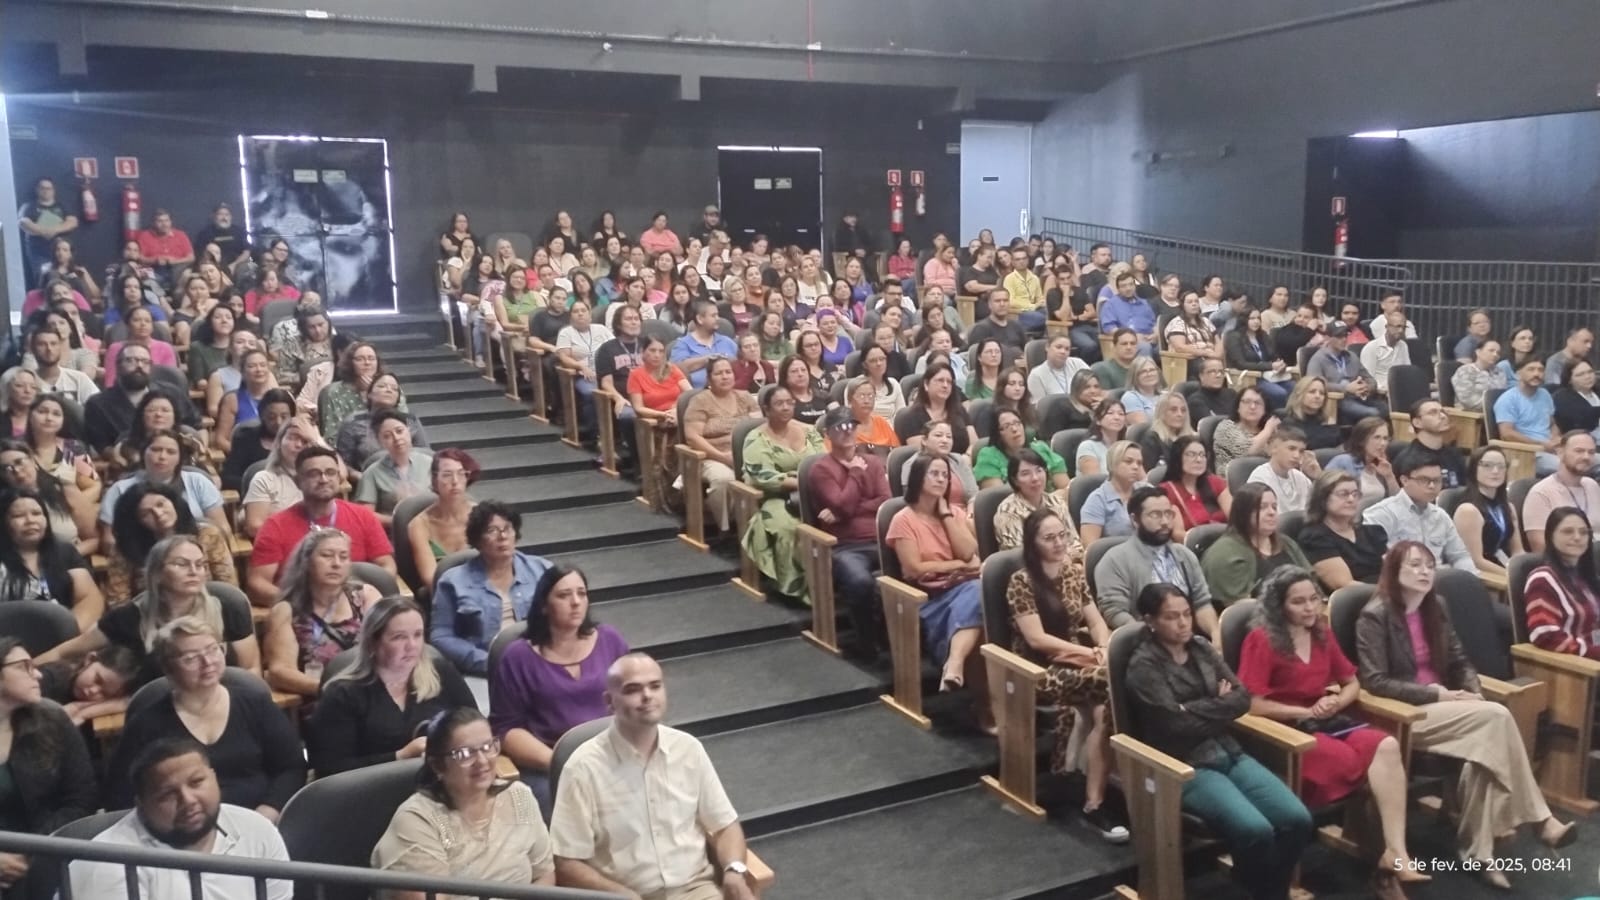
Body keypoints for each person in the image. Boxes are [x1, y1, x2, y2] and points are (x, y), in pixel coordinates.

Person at [1356, 542, 1576, 887]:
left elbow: (1459, 661)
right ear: (1394, 572)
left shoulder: (1436, 607)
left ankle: (1480, 852)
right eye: (1415, 565)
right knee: (1497, 718)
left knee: (1484, 753)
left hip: (1450, 708)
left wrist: (1472, 691)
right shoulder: (1375, 615)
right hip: (1405, 715)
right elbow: (1375, 681)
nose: (1425, 571)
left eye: (1429, 565)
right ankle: (1539, 818)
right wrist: (1437, 693)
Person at [1237, 567, 1420, 894]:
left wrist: (1336, 703)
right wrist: (1304, 710)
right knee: (1358, 765)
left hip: (1326, 719)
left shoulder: (1322, 631)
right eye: (1298, 602)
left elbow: (1352, 683)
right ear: (1279, 606)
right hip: (1284, 731)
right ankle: (1377, 865)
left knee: (1387, 746)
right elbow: (1252, 704)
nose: (1310, 608)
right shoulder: (1261, 639)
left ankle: (1396, 852)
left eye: (1314, 599)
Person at [1124, 582, 1311, 900]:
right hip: (1184, 765)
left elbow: (1240, 700)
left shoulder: (1200, 647)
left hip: (1230, 752)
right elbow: (1172, 725)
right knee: (1256, 829)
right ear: (1150, 621)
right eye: (1172, 617)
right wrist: (1216, 706)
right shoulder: (1144, 667)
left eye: (1186, 614)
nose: (1184, 623)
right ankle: (1265, 893)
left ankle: (1265, 889)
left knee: (1298, 819)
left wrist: (1192, 708)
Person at [550, 653, 756, 900]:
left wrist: (734, 870)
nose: (647, 695)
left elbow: (725, 825)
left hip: (696, 891)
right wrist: (620, 894)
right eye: (633, 689)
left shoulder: (688, 749)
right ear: (609, 701)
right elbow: (567, 862)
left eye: (655, 686)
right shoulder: (582, 768)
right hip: (623, 897)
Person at [105, 616, 304, 820]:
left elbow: (291, 767)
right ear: (168, 669)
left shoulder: (256, 703)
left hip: (260, 822)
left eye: (213, 649)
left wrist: (268, 811)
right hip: (181, 832)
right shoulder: (146, 725)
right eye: (190, 658)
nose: (208, 662)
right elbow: (121, 795)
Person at [1006, 508, 1126, 840]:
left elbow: (1097, 621)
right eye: (1049, 538)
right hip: (1039, 669)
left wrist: (1103, 647)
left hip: (1080, 662)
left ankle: (1092, 798)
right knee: (1113, 682)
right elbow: (1037, 640)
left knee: (1106, 708)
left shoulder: (1074, 573)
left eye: (1062, 535)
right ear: (1033, 543)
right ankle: (1075, 775)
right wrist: (1093, 655)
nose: (1059, 543)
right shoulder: (1021, 580)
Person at [68, 738, 292, 900]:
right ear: (141, 805)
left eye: (196, 782)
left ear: (214, 777)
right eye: (167, 794)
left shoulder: (257, 831)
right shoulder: (106, 864)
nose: (188, 800)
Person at [490, 566, 629, 815]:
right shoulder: (518, 657)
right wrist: (562, 762)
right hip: (549, 765)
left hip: (613, 758)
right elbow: (507, 729)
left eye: (581, 593)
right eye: (564, 595)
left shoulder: (610, 640)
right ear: (544, 605)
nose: (576, 602)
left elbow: (633, 703)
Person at [371, 706, 555, 890]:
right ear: (437, 766)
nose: (482, 761)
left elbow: (545, 874)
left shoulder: (518, 796)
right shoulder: (417, 822)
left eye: (487, 747)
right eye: (465, 754)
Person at [308, 597, 476, 776]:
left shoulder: (441, 672)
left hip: (442, 783)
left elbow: (476, 725)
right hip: (371, 792)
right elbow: (329, 768)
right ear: (373, 642)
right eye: (399, 637)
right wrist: (399, 756)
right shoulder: (342, 694)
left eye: (418, 635)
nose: (412, 646)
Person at [0, 636, 98, 897]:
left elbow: (81, 799)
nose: (39, 675)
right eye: (24, 667)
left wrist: (29, 851)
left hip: (45, 852)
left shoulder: (53, 719)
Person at [248, 447, 395, 607]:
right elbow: (257, 584)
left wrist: (366, 597)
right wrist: (307, 603)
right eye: (314, 474)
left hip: (358, 609)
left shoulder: (363, 516)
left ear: (339, 478)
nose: (324, 479)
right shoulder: (275, 526)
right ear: (297, 481)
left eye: (331, 472)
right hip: (300, 613)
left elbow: (386, 565)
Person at [888, 454, 985, 694]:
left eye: (945, 475)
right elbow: (914, 569)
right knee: (978, 594)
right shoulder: (903, 520)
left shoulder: (954, 513)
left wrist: (945, 515)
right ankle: (961, 673)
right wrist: (957, 566)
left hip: (963, 588)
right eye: (934, 473)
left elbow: (970, 553)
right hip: (929, 598)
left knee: (981, 602)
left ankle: (955, 664)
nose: (941, 479)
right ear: (919, 477)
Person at [260, 529, 385, 701]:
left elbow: (391, 646)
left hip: (373, 692)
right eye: (327, 555)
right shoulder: (286, 611)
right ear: (307, 562)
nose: (336, 563)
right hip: (322, 699)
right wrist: (333, 690)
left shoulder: (366, 596)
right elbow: (280, 671)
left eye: (344, 557)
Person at [431, 501, 554, 676]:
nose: (502, 536)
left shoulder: (543, 570)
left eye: (507, 529)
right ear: (477, 541)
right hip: (483, 669)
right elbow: (441, 636)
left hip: (539, 665)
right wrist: (488, 661)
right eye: (492, 531)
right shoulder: (453, 581)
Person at [809, 409, 890, 658]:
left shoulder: (874, 462)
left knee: (910, 571)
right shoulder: (821, 469)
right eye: (840, 427)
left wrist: (845, 511)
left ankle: (898, 638)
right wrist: (854, 473)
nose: (847, 432)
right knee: (860, 582)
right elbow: (841, 503)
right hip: (846, 545)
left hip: (879, 538)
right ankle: (867, 643)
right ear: (827, 434)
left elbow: (885, 500)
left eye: (851, 426)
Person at [1094, 487, 1219, 637]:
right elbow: (1115, 613)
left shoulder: (1185, 555)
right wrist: (1152, 642)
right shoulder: (1114, 560)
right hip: (1145, 643)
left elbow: (1202, 603)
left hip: (1189, 639)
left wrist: (1215, 634)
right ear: (1135, 520)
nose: (1165, 522)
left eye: (1168, 514)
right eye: (1155, 515)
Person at [740, 386, 825, 602]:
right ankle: (798, 589)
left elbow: (823, 462)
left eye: (790, 402)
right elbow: (763, 476)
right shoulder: (756, 438)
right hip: (775, 497)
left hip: (814, 492)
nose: (786, 407)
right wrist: (800, 482)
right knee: (791, 529)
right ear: (766, 409)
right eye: (779, 404)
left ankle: (830, 584)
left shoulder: (809, 430)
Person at [98, 430, 231, 550]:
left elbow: (222, 528)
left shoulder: (198, 481)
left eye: (171, 452)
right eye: (155, 449)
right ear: (143, 453)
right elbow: (109, 540)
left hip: (197, 554)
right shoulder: (120, 489)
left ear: (180, 458)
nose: (162, 456)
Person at [106, 481, 234, 603]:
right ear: (137, 521)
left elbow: (228, 585)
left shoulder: (207, 534)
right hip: (148, 615)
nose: (158, 514)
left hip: (207, 609)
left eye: (161, 504)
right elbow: (119, 600)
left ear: (173, 502)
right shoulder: (125, 548)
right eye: (146, 513)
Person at [0, 486, 103, 635]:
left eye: (36, 513)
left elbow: (89, 598)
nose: (30, 521)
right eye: (18, 516)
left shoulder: (64, 552)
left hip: (65, 639)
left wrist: (64, 635)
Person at [1361, 449, 1476, 573]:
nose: (1432, 486)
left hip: (1440, 581)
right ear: (1404, 480)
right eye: (1424, 480)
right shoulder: (1380, 514)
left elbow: (1460, 556)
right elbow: (1381, 565)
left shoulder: (1441, 516)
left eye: (1437, 481)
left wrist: (1471, 578)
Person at [682, 357, 761, 535]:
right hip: (711, 456)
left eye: (728, 372)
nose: (725, 377)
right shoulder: (700, 401)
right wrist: (722, 456)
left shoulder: (745, 397)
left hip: (745, 454)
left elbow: (759, 429)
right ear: (709, 379)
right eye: (719, 373)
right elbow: (693, 437)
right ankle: (726, 530)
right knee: (724, 479)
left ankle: (755, 528)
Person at [1200, 484, 1310, 607]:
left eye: (1274, 507)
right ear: (1242, 512)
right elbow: (1241, 611)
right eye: (1262, 507)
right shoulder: (1225, 554)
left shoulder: (1286, 542)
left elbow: (1312, 584)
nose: (1272, 513)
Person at [82, 343, 200, 454]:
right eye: (131, 360)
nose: (139, 366)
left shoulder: (172, 392)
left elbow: (197, 426)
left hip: (176, 459)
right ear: (118, 366)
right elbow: (102, 446)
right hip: (129, 465)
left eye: (145, 361)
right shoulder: (98, 404)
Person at [1523, 507, 1600, 660]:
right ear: (1550, 536)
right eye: (1567, 532)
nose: (1577, 537)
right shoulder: (1543, 579)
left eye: (1584, 532)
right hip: (1578, 668)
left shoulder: (1585, 576)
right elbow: (1545, 634)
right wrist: (1592, 652)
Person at [0, 440, 97, 558]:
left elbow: (93, 540)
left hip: (69, 561)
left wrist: (65, 558)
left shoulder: (65, 490)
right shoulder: (5, 504)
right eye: (7, 468)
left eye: (19, 462)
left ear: (33, 461)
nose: (17, 471)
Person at [1299, 470, 1389, 591]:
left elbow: (1393, 571)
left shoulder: (1373, 532)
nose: (1351, 499)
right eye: (1343, 494)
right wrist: (1390, 594)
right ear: (1323, 498)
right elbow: (1345, 586)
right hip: (1359, 602)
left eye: (1355, 494)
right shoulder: (1315, 538)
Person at [239, 415, 325, 537]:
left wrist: (316, 440)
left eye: (306, 441)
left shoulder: (321, 478)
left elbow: (341, 471)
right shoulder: (264, 479)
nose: (299, 445)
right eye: (293, 438)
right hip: (281, 546)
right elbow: (255, 527)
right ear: (279, 442)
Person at [408, 449, 480, 592]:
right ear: (434, 480)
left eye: (461, 474)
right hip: (444, 595)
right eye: (447, 475)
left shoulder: (482, 515)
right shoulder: (419, 524)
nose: (455, 481)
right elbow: (431, 579)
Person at [1521, 431, 1600, 553]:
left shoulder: (1592, 485)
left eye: (1591, 452)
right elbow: (1541, 548)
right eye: (1579, 451)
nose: (1586, 457)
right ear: (1560, 452)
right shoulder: (1541, 493)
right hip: (1568, 565)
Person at [1451, 446, 1522, 578]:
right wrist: (1513, 578)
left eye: (1501, 466)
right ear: (1474, 469)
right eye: (1487, 465)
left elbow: (1518, 552)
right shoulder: (1468, 510)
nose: (1495, 471)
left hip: (1503, 567)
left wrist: (1525, 573)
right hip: (1482, 577)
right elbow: (1475, 561)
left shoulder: (1508, 507)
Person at [354, 409, 433, 525]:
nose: (396, 438)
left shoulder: (430, 462)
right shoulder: (372, 473)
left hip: (433, 527)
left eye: (400, 431)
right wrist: (398, 522)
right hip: (394, 533)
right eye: (387, 436)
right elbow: (365, 514)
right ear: (379, 441)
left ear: (409, 431)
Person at [1493, 355, 1561, 477]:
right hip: (1528, 453)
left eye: (1540, 370)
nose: (1537, 374)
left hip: (1551, 448)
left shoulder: (1545, 394)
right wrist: (1541, 445)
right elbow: (1507, 434)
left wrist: (1555, 439)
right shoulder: (1508, 399)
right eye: (1531, 369)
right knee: (1572, 466)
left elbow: (1552, 423)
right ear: (1518, 374)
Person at [1307, 323, 1387, 421]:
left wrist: (1366, 388)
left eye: (1345, 336)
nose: (1344, 339)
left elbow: (1369, 378)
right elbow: (1312, 384)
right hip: (1338, 400)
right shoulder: (1318, 359)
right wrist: (1345, 388)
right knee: (1373, 413)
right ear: (1328, 338)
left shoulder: (1352, 356)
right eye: (1339, 336)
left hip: (1359, 397)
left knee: (1385, 409)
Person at [974, 407, 1068, 490]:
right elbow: (999, 498)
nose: (1015, 429)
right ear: (997, 433)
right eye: (1006, 426)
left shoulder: (1040, 448)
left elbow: (1065, 488)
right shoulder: (988, 456)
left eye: (1017, 423)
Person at [220, 387, 293, 492]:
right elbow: (228, 477)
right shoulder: (245, 439)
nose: (278, 422)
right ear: (262, 415)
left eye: (284, 416)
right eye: (272, 417)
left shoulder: (300, 441)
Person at [1159, 435, 1230, 542]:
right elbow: (1178, 534)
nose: (1199, 460)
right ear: (1178, 458)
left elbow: (1235, 518)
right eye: (1191, 455)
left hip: (1226, 541)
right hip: (1195, 547)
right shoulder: (1167, 491)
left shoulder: (1215, 482)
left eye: (1202, 455)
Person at [1078, 440, 1150, 545]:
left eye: (1139, 463)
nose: (1135, 467)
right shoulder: (1097, 500)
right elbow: (1091, 549)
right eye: (1128, 461)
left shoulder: (1147, 491)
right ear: (1113, 464)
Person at [901, 361, 978, 456]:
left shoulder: (959, 410)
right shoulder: (912, 416)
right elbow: (920, 453)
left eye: (949, 382)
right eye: (940, 380)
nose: (945, 385)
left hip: (963, 463)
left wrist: (967, 456)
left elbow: (974, 443)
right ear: (926, 384)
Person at [1225, 310, 1291, 409]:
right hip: (1251, 378)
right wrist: (1269, 366)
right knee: (1279, 393)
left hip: (1271, 375)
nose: (1256, 321)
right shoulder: (1233, 336)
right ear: (1244, 320)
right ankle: (1277, 417)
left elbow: (1274, 356)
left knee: (1296, 388)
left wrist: (1280, 364)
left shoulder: (1263, 335)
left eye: (1258, 318)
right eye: (1252, 318)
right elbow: (1240, 364)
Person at [1398, 399, 1469, 488]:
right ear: (1417, 423)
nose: (1443, 416)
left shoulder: (1454, 453)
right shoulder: (1408, 459)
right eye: (1433, 413)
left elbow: (1465, 487)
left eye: (1442, 411)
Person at [1326, 417, 1399, 501]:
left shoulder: (1382, 465)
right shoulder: (1343, 461)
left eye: (1385, 438)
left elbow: (1397, 502)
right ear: (1361, 441)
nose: (1383, 443)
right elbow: (1321, 493)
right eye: (1377, 437)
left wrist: (1389, 476)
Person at [1247, 426, 1316, 515]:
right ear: (1274, 448)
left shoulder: (1301, 477)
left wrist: (1317, 476)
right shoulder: (1260, 477)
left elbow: (1316, 510)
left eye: (1301, 451)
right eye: (1291, 448)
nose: (1297, 455)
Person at [1212, 385, 1278, 477]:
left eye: (1258, 403)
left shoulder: (1271, 431)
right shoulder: (1226, 427)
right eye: (1247, 402)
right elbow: (1246, 451)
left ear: (1265, 409)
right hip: (1231, 484)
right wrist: (1268, 430)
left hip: (1264, 482)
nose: (1252, 406)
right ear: (1238, 407)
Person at [24, 322, 98, 403]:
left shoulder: (79, 379)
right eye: (42, 344)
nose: (49, 348)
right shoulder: (24, 382)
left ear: (60, 347)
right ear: (33, 349)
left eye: (53, 344)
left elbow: (97, 407)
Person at [1098, 272, 1158, 358]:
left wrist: (1155, 335)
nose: (1128, 288)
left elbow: (1154, 323)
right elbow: (1109, 329)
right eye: (1124, 286)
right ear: (1118, 289)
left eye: (1131, 284)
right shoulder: (1110, 304)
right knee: (1145, 348)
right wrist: (1132, 337)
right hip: (1127, 342)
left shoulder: (1144, 303)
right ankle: (1143, 371)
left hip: (1149, 339)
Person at [1138, 390, 1196, 471]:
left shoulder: (1193, 438)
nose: (1180, 414)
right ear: (1162, 412)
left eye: (1183, 410)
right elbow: (1149, 474)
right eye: (1173, 410)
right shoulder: (1152, 439)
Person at [1359, 310, 1412, 396]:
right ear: (1387, 327)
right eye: (1398, 326)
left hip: (1400, 391)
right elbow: (1367, 379)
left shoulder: (1403, 346)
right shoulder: (1372, 348)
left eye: (1404, 327)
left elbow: (1407, 372)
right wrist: (1382, 389)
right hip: (1379, 393)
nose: (1401, 330)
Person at [1552, 357, 1600, 442]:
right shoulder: (1562, 398)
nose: (1588, 377)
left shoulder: (1597, 392)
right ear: (1570, 380)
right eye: (1580, 374)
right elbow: (1579, 422)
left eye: (1590, 372)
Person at [1076, 397, 1127, 477]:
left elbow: (1143, 479)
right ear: (1098, 420)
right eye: (1110, 413)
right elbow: (1094, 482)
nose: (1117, 418)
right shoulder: (1088, 446)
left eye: (1121, 414)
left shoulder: (1127, 447)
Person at [1027, 333, 1088, 400]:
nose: (1063, 351)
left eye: (1067, 349)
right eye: (1058, 347)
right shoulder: (1036, 375)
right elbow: (1039, 406)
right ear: (1047, 347)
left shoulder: (1078, 363)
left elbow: (1093, 385)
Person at [1452, 337, 1505, 412]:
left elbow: (1503, 395)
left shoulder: (1499, 371)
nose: (1495, 354)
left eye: (1498, 353)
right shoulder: (1465, 371)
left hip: (1498, 412)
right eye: (1491, 351)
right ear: (1478, 352)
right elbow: (1468, 401)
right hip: (1471, 415)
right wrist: (1497, 406)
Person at [1120, 356, 1163, 426]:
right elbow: (1143, 429)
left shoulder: (1165, 395)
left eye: (1152, 370)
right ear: (1134, 376)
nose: (1149, 374)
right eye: (1143, 372)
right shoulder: (1130, 397)